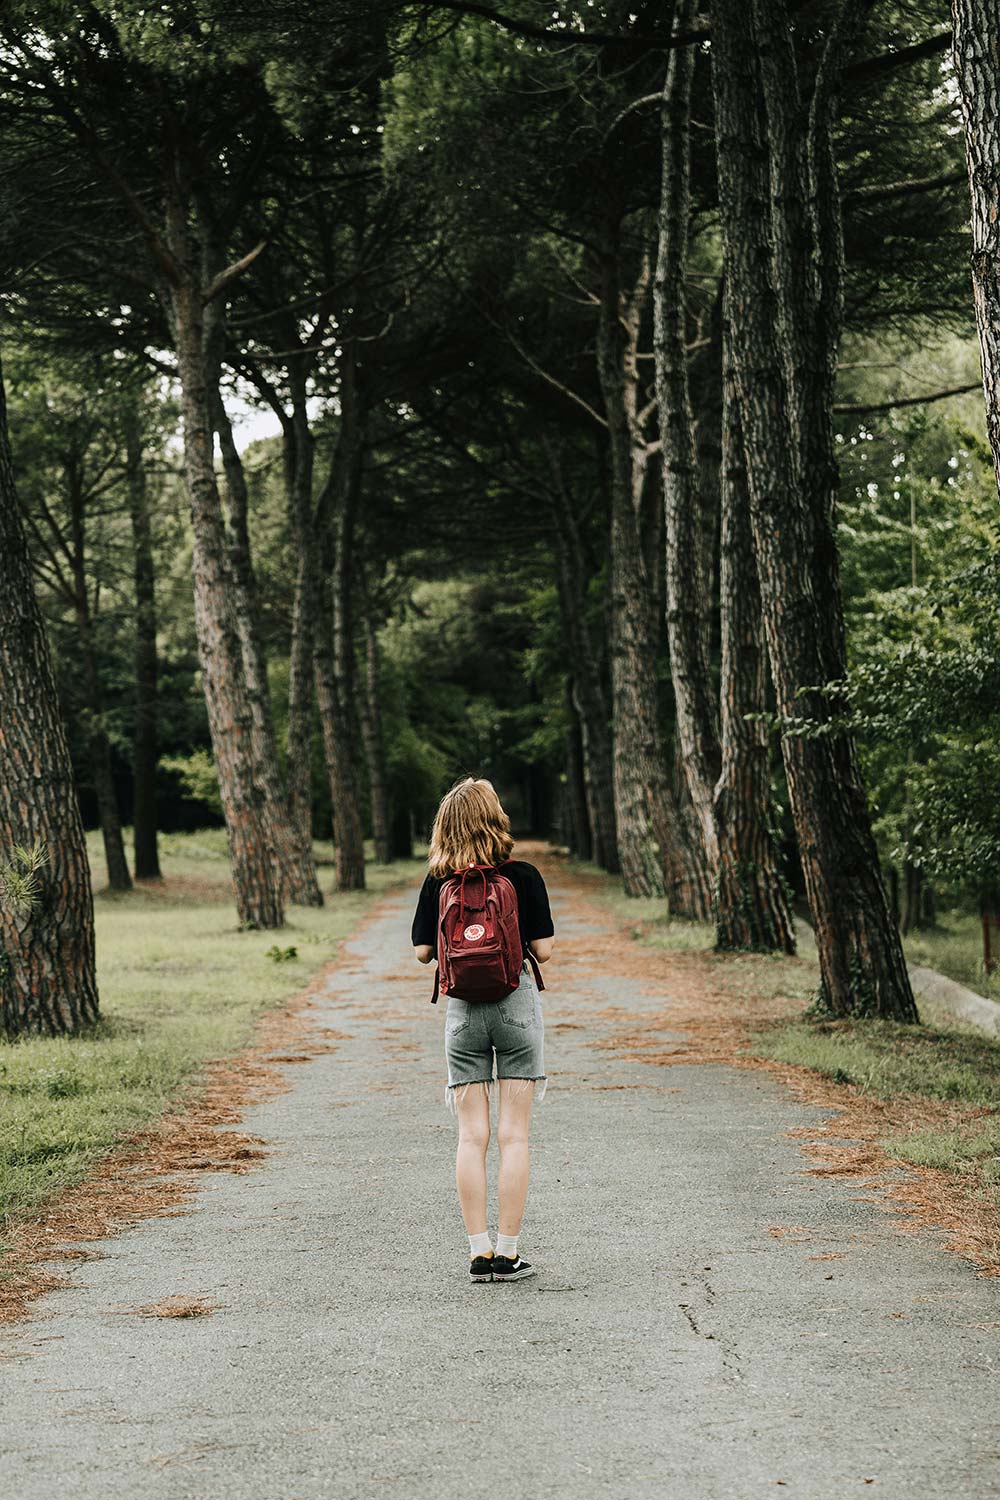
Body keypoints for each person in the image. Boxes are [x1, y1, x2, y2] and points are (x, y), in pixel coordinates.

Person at [412, 776, 554, 1283]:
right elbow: (545, 951)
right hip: (515, 1004)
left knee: (472, 1137)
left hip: (463, 1013)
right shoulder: (524, 875)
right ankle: (509, 1252)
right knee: (514, 1137)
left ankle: (478, 1250)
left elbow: (423, 953)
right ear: (496, 819)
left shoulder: (438, 881)